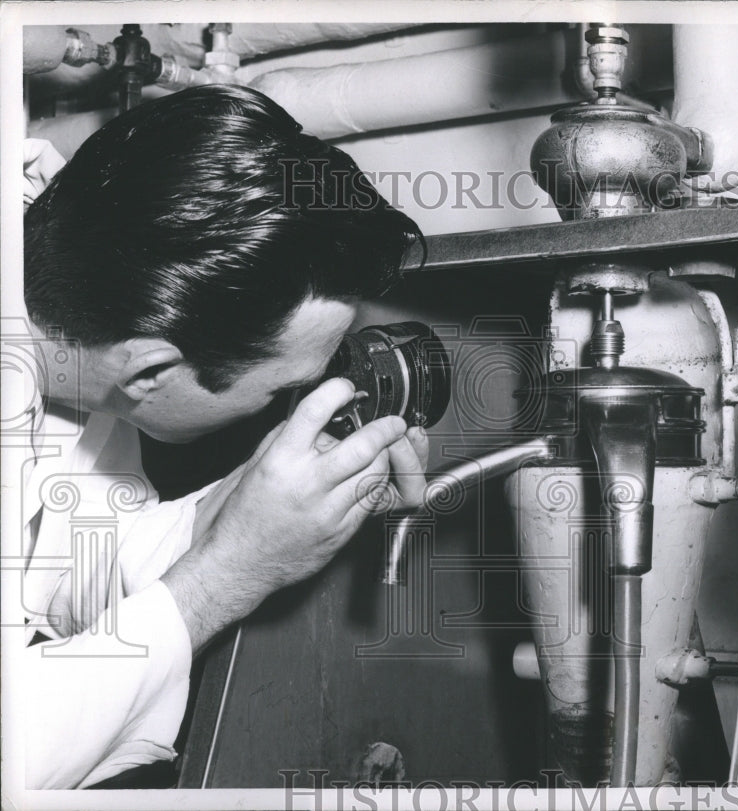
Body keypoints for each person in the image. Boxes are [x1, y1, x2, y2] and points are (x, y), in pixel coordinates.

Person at [15, 84, 429, 789]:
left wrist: (256, 506)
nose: (281, 403)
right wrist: (228, 575)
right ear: (152, 369)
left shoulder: (75, 324)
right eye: (276, 391)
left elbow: (71, 575)